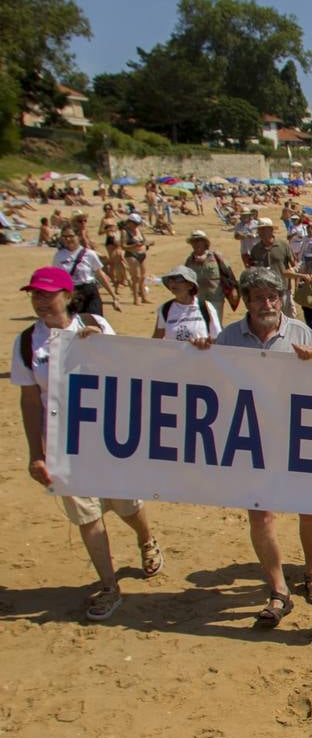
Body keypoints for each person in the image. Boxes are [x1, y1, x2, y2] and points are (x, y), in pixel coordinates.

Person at [14, 266, 164, 622]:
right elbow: (30, 399)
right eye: (35, 294)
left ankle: (146, 538)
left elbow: (126, 371)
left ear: (67, 296)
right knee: (87, 515)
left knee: (126, 504)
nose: (40, 301)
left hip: (107, 438)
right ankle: (109, 585)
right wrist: (36, 454)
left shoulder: (93, 324)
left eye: (47, 294)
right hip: (63, 444)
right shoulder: (26, 342)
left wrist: (103, 347)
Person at [200, 267, 312, 627]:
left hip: (298, 435)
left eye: (272, 296)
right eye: (259, 298)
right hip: (250, 438)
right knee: (260, 514)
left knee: (310, 508)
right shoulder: (228, 338)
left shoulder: (302, 333)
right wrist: (199, 355)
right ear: (246, 301)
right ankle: (278, 588)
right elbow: (208, 381)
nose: (267, 303)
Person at [53, 224, 114, 316]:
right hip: (71, 293)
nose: (67, 239)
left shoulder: (89, 254)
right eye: (64, 236)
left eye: (71, 236)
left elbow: (100, 274)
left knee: (95, 320)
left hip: (89, 291)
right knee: (74, 324)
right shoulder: (59, 255)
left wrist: (113, 296)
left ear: (78, 237)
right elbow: (57, 277)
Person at [152, 264, 221, 342]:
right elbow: (156, 340)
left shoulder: (205, 307)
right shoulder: (165, 309)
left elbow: (217, 338)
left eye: (178, 279)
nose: (173, 283)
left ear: (190, 285)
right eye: (170, 280)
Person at [249, 218, 296, 314]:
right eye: (259, 230)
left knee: (287, 317)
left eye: (263, 229)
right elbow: (252, 268)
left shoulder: (283, 245)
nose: (260, 232)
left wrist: (296, 284)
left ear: (271, 230)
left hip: (283, 288)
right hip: (265, 291)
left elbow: (294, 264)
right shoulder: (255, 249)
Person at [185, 230, 229, 316]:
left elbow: (228, 275)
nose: (196, 243)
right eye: (193, 241)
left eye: (199, 240)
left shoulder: (216, 256)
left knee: (216, 325)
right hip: (198, 299)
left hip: (215, 297)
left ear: (205, 242)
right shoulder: (189, 261)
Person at [120, 214, 150, 305]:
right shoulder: (125, 232)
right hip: (131, 254)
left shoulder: (138, 230)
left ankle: (144, 297)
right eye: (135, 223)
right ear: (130, 222)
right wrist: (135, 245)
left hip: (142, 254)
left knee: (143, 276)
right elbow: (123, 246)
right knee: (136, 277)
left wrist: (147, 244)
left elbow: (144, 241)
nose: (136, 225)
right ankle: (136, 299)